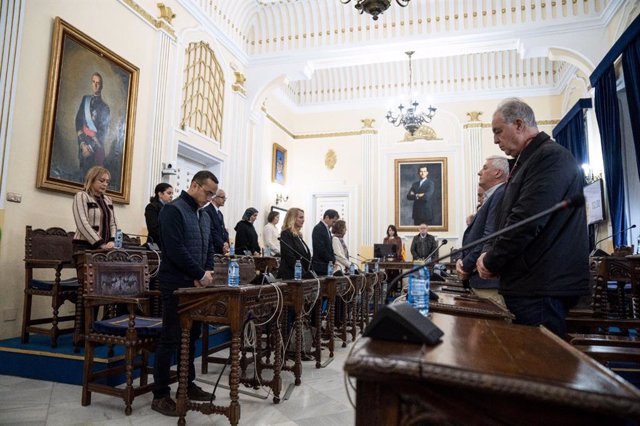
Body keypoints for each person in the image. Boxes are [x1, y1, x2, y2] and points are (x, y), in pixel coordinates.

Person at [476, 98, 589, 337]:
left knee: (542, 368)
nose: (495, 140)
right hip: (532, 284)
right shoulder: (529, 159)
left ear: (518, 124)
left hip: (541, 287)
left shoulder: (548, 157)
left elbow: (526, 221)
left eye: (498, 131)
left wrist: (491, 261)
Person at [151, 170, 217, 416]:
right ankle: (160, 394)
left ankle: (187, 385)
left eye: (213, 194)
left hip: (197, 285)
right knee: (171, 338)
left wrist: (206, 272)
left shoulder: (205, 215)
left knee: (192, 337)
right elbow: (175, 248)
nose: (209, 198)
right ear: (194, 185)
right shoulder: (173, 210)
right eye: (207, 192)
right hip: (176, 285)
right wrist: (200, 274)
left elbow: (208, 245)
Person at [456, 156, 508, 305]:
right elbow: (473, 236)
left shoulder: (500, 193)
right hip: (479, 278)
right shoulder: (493, 196)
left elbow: (488, 237)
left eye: (485, 168)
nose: (479, 172)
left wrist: (465, 266)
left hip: (487, 282)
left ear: (497, 173)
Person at [72, 166, 117, 253]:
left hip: (106, 247)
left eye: (107, 182)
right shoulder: (81, 196)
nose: (105, 184)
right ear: (91, 180)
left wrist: (112, 240)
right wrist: (100, 243)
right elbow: (82, 223)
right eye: (101, 180)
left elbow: (113, 223)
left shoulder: (108, 200)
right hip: (84, 246)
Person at [76, 72, 110, 178]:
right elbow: (78, 121)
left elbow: (103, 133)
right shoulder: (85, 99)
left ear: (102, 86)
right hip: (83, 147)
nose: (95, 85)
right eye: (93, 82)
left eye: (98, 83)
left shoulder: (105, 107)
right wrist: (82, 144)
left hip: (95, 151)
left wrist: (90, 148)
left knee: (93, 179)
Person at [277, 207, 312, 279]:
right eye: (301, 217)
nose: (303, 220)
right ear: (292, 218)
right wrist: (303, 273)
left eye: (303, 217)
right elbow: (289, 256)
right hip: (290, 275)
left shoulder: (298, 235)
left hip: (300, 275)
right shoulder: (286, 234)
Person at [144, 183, 173, 250]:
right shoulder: (151, 207)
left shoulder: (171, 208)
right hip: (156, 245)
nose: (171, 196)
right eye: (169, 193)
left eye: (172, 193)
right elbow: (153, 229)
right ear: (160, 194)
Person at [311, 209, 339, 275]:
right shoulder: (318, 228)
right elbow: (320, 249)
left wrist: (333, 261)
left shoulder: (327, 230)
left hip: (327, 266)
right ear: (327, 217)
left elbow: (329, 248)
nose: (334, 224)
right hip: (320, 266)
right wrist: (332, 260)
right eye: (333, 221)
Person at [204, 188, 229, 255]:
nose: (224, 200)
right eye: (222, 197)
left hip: (220, 249)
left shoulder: (220, 213)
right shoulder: (207, 211)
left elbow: (224, 230)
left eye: (225, 198)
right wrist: (222, 244)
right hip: (212, 249)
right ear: (214, 198)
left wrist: (226, 242)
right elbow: (211, 231)